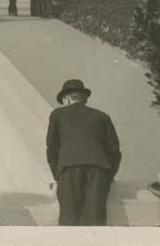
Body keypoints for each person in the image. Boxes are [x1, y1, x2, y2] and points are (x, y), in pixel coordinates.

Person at [47, 79, 121, 226]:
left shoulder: (57, 114)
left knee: (69, 219)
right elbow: (114, 151)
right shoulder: (102, 116)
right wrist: (108, 176)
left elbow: (52, 148)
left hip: (69, 169)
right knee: (94, 221)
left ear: (67, 98)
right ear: (84, 98)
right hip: (99, 170)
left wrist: (58, 174)